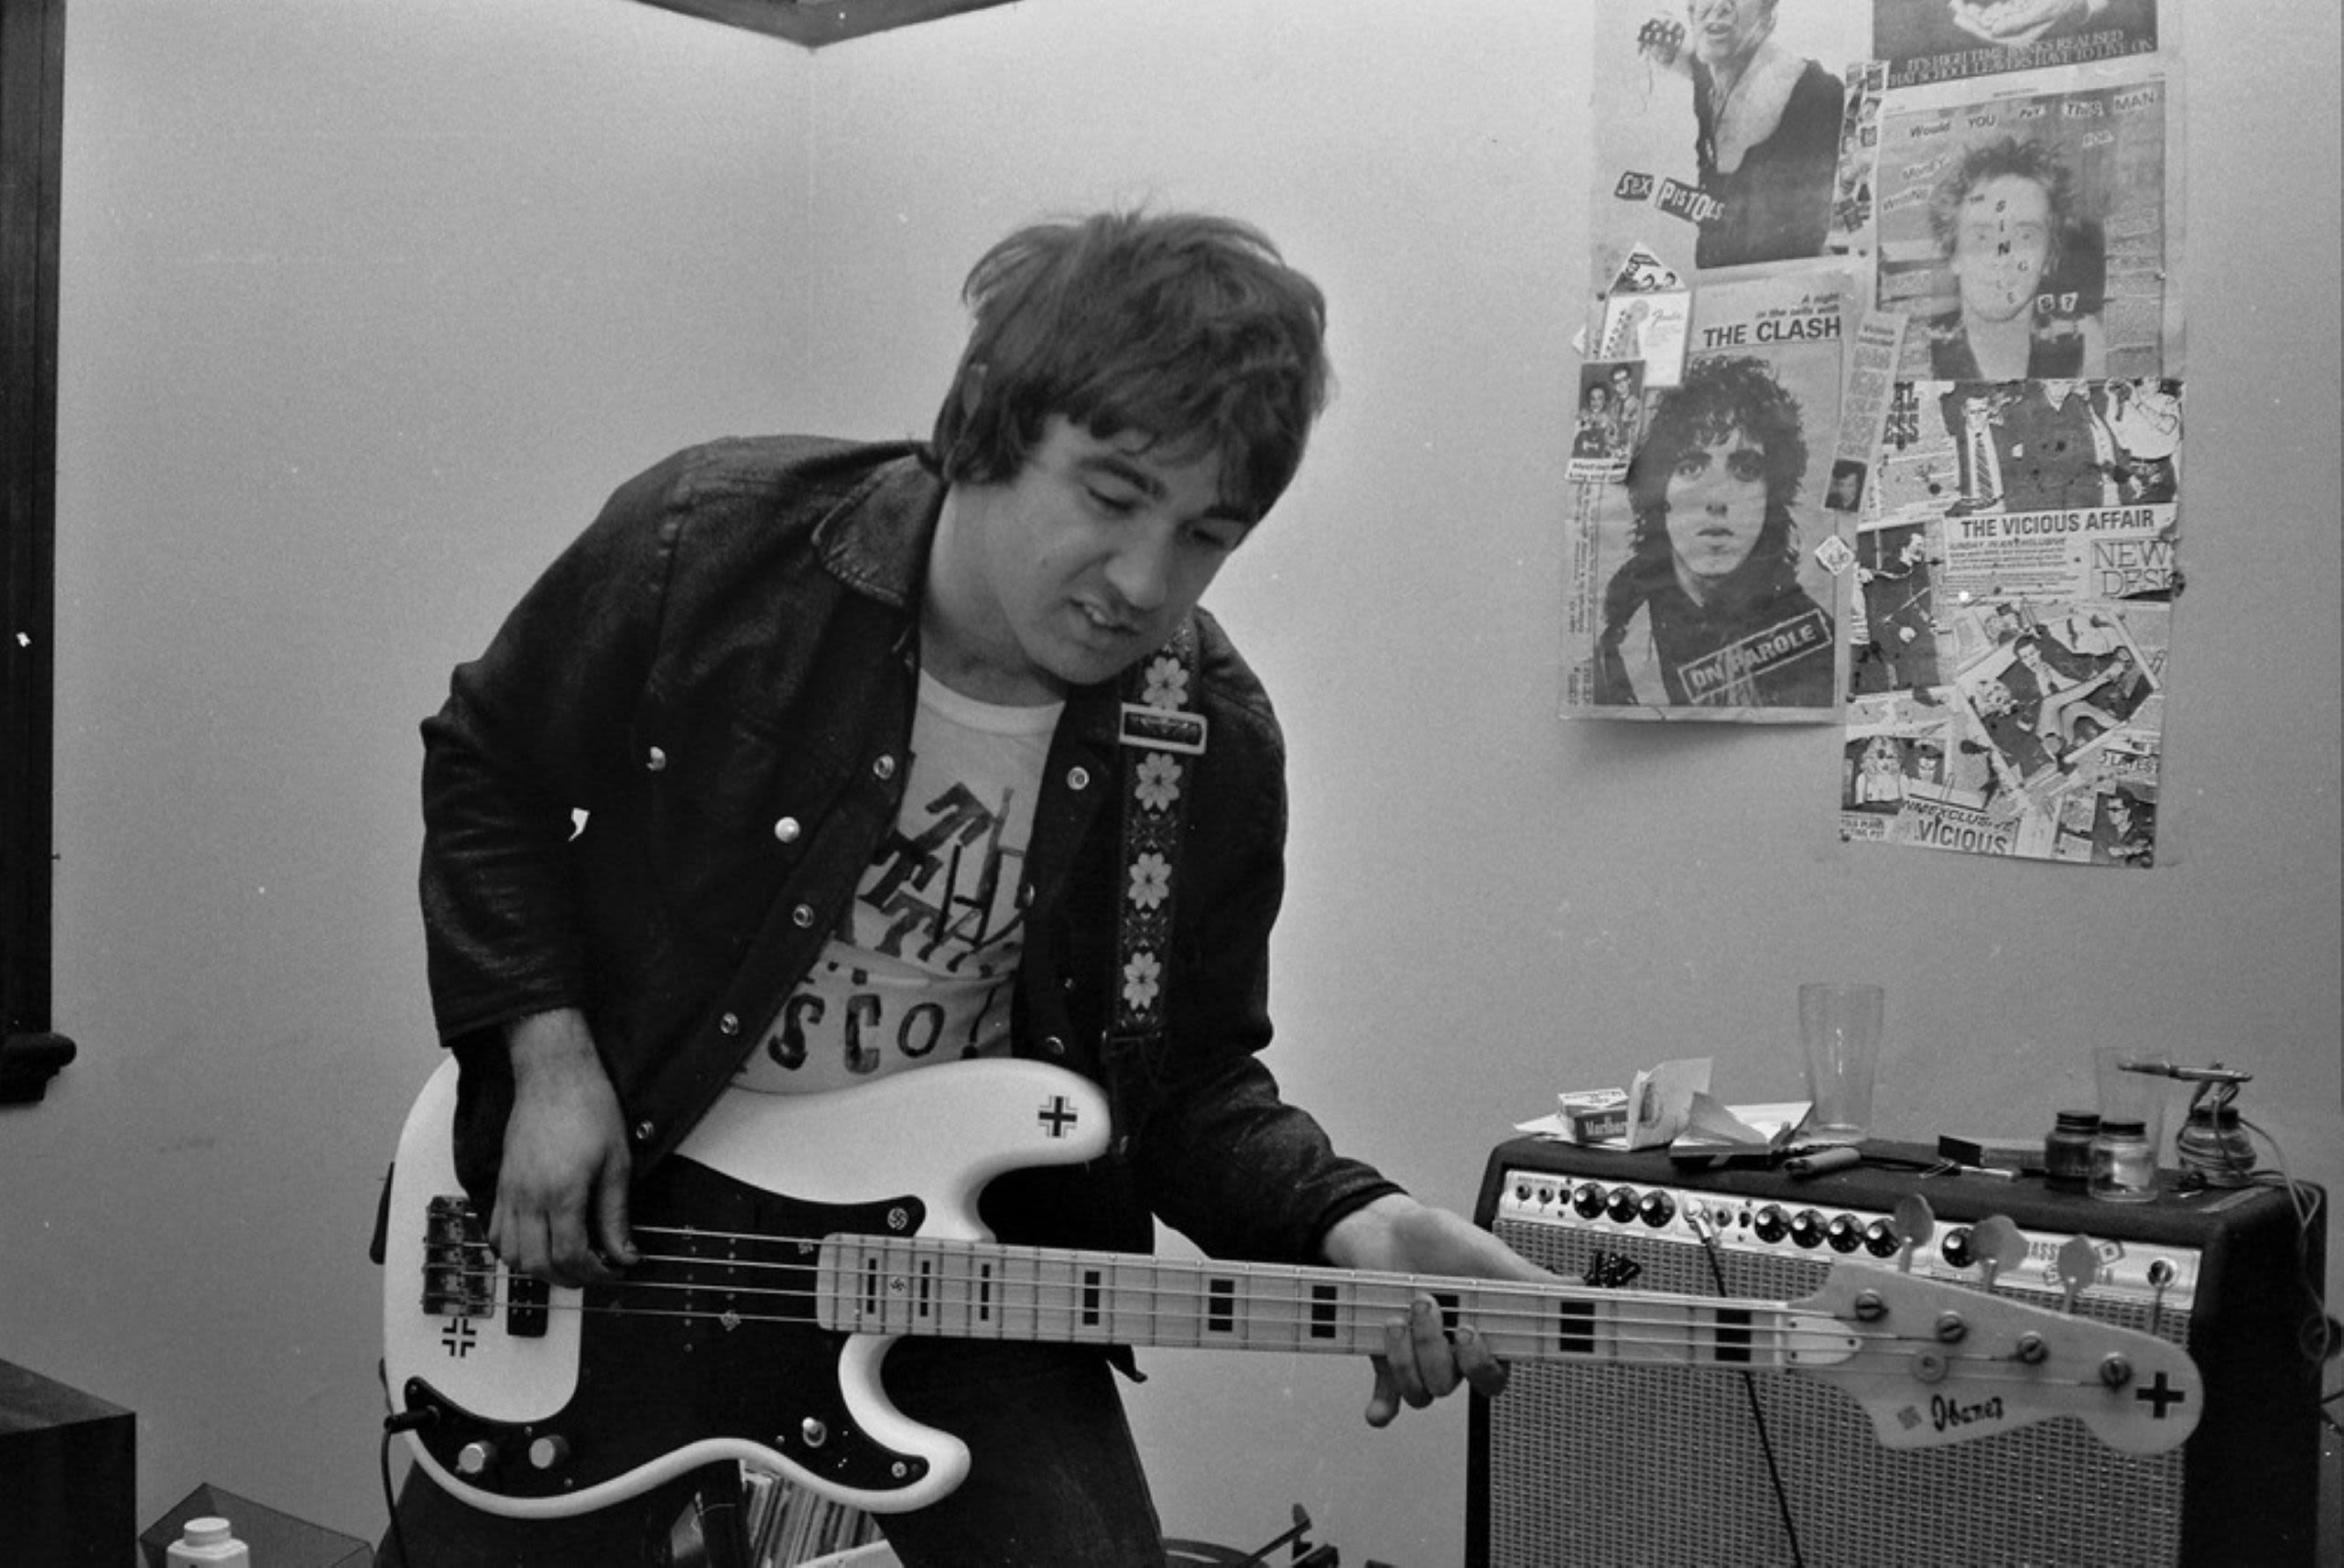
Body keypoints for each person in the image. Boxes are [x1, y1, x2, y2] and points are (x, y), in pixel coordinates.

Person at [384, 210, 1550, 1568]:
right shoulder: (717, 543)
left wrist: (1350, 1215)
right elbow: (491, 765)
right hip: (634, 1229)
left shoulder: (1205, 737)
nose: (1143, 582)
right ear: (986, 423)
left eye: (1205, 535)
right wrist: (547, 1059)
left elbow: (1184, 1082)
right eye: (1112, 496)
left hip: (956, 1267)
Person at [1595, 353, 1836, 708]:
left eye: (1745, 470)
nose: (1717, 500)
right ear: (1661, 493)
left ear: (1772, 495)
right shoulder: (1618, 651)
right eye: (1691, 467)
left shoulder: (1821, 645)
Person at [1636, 0, 1847, 269]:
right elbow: (1697, 63)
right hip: (1717, 286)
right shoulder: (1712, 78)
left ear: (1767, 9)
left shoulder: (1817, 97)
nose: (1720, 5)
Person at [1923, 135, 2106, 382]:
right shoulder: (1918, 351)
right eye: (1982, 237)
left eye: (2025, 237)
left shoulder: (2083, 344)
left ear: (2049, 257)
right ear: (1954, 254)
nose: (2003, 258)